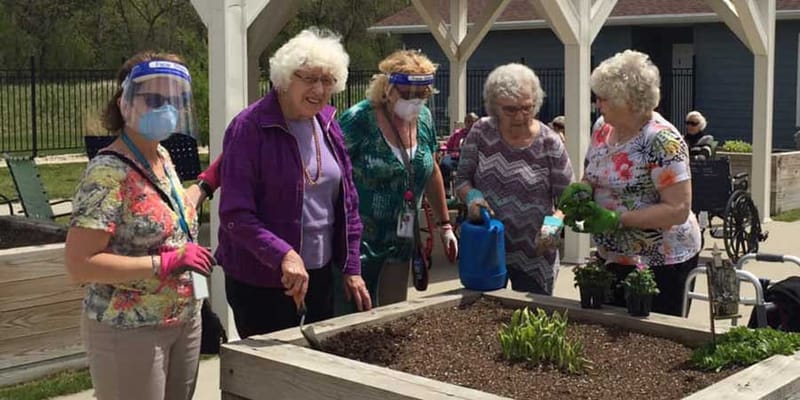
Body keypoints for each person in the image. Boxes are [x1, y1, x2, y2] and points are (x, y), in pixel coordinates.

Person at [64, 51, 222, 400]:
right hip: (131, 328)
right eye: (153, 99)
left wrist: (208, 182)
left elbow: (166, 214)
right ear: (125, 103)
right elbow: (79, 265)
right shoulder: (108, 173)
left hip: (182, 317)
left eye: (174, 100)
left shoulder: (161, 156)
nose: (165, 108)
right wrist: (165, 263)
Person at [216, 28, 371, 338]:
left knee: (315, 372)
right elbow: (235, 213)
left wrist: (351, 267)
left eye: (327, 80)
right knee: (272, 379)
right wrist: (283, 254)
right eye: (309, 78)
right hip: (262, 280)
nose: (319, 88)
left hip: (319, 275)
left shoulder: (328, 124)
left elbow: (348, 203)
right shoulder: (249, 127)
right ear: (285, 78)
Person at [572, 49, 701, 317]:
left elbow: (677, 210)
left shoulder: (663, 141)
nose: (598, 105)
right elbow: (591, 177)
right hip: (612, 255)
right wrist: (580, 194)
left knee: (651, 338)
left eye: (603, 99)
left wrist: (616, 219)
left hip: (660, 261)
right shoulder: (602, 128)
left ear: (628, 101)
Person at [339, 49, 458, 308]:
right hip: (361, 243)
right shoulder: (359, 119)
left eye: (422, 95)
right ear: (387, 88)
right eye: (407, 95)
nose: (415, 101)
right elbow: (333, 172)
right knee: (354, 314)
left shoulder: (423, 119)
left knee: (393, 311)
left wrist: (445, 224)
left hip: (402, 240)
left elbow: (432, 169)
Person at [455, 63, 574, 295]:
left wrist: (554, 224)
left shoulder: (550, 142)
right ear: (494, 107)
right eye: (510, 110)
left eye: (527, 108)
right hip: (487, 247)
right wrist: (472, 197)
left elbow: (568, 198)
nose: (520, 116)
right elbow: (462, 179)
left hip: (534, 254)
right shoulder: (481, 132)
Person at [439, 112, 479, 194]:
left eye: (473, 121)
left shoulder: (480, 135)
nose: (470, 124)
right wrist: (442, 149)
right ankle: (446, 190)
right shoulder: (458, 133)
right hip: (455, 157)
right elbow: (447, 145)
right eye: (468, 121)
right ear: (465, 122)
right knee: (444, 164)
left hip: (472, 159)